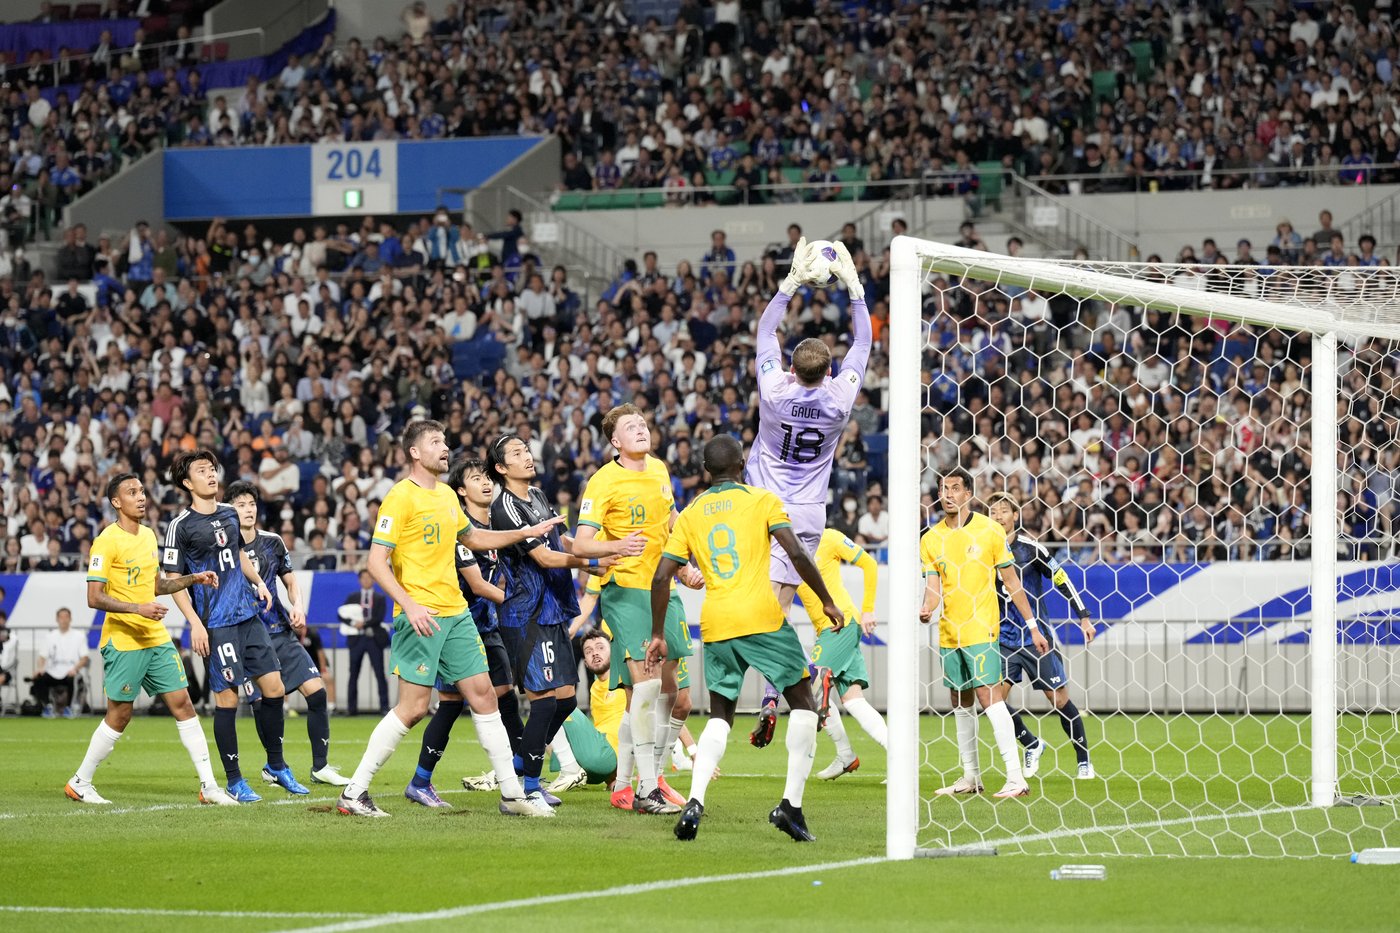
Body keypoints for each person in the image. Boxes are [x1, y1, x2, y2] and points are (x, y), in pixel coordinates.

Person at [335, 420, 568, 818]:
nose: (445, 448)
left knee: (484, 696)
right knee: (411, 709)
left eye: (445, 441)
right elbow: (376, 562)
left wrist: (524, 532)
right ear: (414, 452)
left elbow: (474, 538)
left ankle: (512, 796)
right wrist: (409, 605)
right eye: (435, 442)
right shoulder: (399, 497)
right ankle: (354, 793)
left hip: (457, 615)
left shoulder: (445, 495)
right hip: (421, 615)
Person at [648, 435, 844, 842]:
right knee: (805, 703)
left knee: (719, 713)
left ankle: (695, 801)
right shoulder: (762, 500)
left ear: (706, 470)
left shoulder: (690, 514)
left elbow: (662, 576)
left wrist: (656, 633)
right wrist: (826, 599)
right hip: (762, 616)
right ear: (743, 463)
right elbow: (796, 552)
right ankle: (791, 805)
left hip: (717, 622)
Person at [747, 236, 871, 747]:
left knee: (765, 603)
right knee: (783, 602)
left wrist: (790, 284)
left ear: (792, 368)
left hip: (763, 502)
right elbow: (863, 346)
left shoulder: (775, 392)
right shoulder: (840, 400)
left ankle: (777, 689)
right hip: (809, 512)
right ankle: (785, 686)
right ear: (829, 372)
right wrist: (857, 290)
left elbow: (764, 331)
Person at [64, 472, 236, 806]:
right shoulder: (106, 541)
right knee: (120, 715)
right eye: (132, 492)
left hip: (155, 638)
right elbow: (94, 597)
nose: (141, 496)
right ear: (117, 502)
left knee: (184, 705)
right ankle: (80, 781)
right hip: (124, 640)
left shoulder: (147, 535)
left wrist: (192, 578)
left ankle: (209, 786)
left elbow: (156, 584)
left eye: (142, 491)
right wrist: (137, 609)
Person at [487, 433, 626, 810]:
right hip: (525, 613)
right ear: (501, 468)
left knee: (566, 700)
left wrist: (595, 554)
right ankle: (527, 786)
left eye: (527, 450)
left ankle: (519, 763)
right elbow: (543, 559)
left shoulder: (538, 497)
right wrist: (591, 563)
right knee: (545, 702)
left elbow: (561, 543)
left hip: (554, 608)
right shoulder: (505, 506)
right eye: (517, 453)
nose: (527, 456)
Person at [571, 404, 698, 813]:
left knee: (673, 696)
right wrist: (616, 546)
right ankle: (647, 789)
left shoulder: (660, 470)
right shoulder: (603, 481)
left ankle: (635, 781)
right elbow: (580, 543)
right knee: (643, 688)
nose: (641, 429)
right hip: (624, 592)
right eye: (631, 426)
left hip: (662, 589)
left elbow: (672, 522)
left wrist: (686, 567)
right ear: (615, 441)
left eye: (643, 423)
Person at [162, 449, 298, 803]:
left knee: (275, 687)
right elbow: (173, 579)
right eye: (202, 471)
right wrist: (195, 623)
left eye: (212, 469)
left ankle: (276, 765)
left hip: (248, 614)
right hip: (217, 622)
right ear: (187, 482)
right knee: (228, 698)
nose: (211, 475)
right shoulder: (181, 525)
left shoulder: (229, 513)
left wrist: (259, 582)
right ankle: (235, 779)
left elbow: (238, 554)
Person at [919, 469, 1042, 799]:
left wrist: (1032, 625)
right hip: (949, 633)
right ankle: (971, 776)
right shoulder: (930, 539)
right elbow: (932, 588)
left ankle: (1016, 778)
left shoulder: (989, 530)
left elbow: (1013, 583)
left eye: (955, 488)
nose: (948, 494)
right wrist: (926, 608)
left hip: (982, 627)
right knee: (960, 701)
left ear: (968, 494)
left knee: (990, 697)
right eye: (944, 488)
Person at [404, 456, 515, 806]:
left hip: (485, 624)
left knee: (499, 695)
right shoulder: (457, 524)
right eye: (475, 478)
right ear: (460, 491)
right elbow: (479, 585)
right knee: (458, 703)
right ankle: (522, 778)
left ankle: (521, 776)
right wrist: (517, 602)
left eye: (486, 476)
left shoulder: (494, 526)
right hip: (460, 624)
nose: (485, 482)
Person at [226, 480, 350, 788]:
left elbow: (291, 581)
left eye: (251, 504)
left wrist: (298, 607)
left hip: (279, 630)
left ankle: (320, 766)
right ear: (229, 510)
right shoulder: (224, 548)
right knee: (265, 703)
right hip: (246, 636)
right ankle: (274, 764)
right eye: (240, 505)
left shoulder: (273, 542)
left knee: (318, 692)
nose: (248, 509)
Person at [986, 493, 1097, 780]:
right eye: (993, 512)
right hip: (1002, 638)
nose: (998, 516)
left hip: (1037, 639)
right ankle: (1031, 744)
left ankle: (1084, 760)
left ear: (1015, 515)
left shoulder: (1030, 548)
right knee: (992, 700)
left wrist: (1083, 615)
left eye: (1003, 511)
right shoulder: (983, 550)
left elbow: (1061, 578)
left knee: (1058, 700)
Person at [795, 529, 889, 779]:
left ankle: (845, 754)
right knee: (853, 700)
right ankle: (881, 757)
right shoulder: (786, 548)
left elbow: (869, 563)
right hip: (830, 630)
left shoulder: (829, 538)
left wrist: (868, 610)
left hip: (840, 626)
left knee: (810, 690)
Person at [342, 570, 390, 715]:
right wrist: (353, 623)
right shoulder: (352, 597)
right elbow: (342, 614)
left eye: (370, 577)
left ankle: (384, 707)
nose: (367, 580)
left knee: (379, 673)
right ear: (359, 580)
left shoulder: (380, 598)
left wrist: (364, 623)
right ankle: (351, 708)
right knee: (353, 673)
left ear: (374, 580)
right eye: (364, 577)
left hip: (374, 639)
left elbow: (379, 617)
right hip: (357, 639)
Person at [31, 607, 89, 718]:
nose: (64, 620)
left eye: (66, 617)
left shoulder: (79, 636)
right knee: (38, 678)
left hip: (71, 670)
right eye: (61, 617)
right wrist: (40, 668)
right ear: (57, 619)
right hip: (53, 670)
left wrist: (75, 669)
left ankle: (68, 708)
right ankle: (47, 706)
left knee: (72, 678)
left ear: (70, 619)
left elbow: (84, 657)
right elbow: (42, 656)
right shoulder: (50, 636)